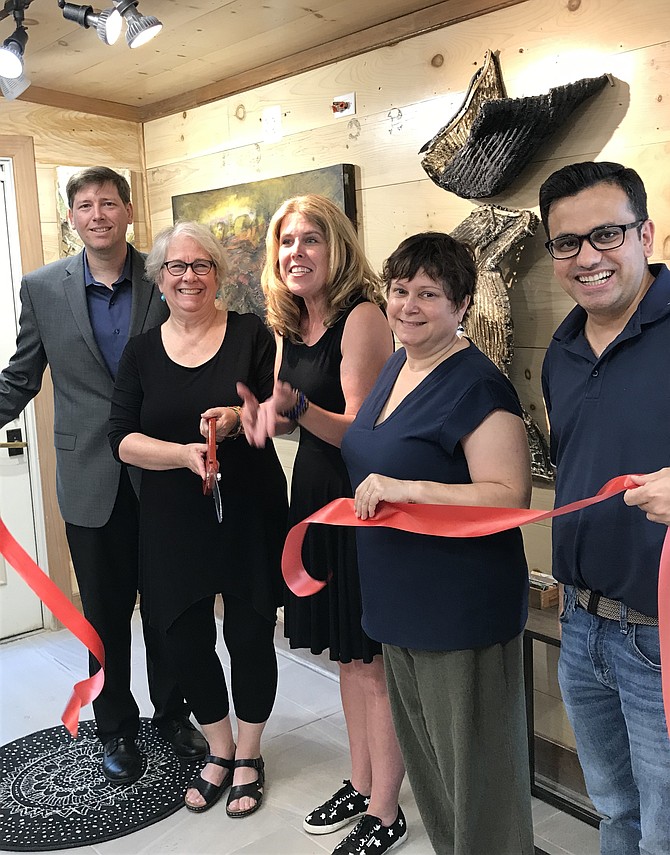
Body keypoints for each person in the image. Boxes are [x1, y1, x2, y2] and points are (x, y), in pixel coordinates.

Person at [0, 167, 205, 784]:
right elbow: (20, 375)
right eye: (85, 205)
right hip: (90, 478)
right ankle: (115, 724)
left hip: (163, 471)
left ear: (127, 211)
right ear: (72, 217)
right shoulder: (41, 288)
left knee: (169, 604)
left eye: (108, 203)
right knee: (103, 614)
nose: (98, 215)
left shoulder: (164, 274)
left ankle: (174, 713)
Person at [340, 231, 535, 855]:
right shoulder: (399, 364)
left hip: (459, 605)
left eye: (429, 294)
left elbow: (509, 496)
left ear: (461, 305)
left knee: (476, 772)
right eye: (400, 291)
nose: (408, 306)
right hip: (397, 599)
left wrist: (412, 488)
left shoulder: (479, 385)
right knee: (429, 764)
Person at [238, 195, 403, 854]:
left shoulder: (362, 316)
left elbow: (361, 431)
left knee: (372, 661)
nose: (295, 252)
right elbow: (287, 415)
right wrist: (249, 416)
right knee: (347, 658)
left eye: (309, 239)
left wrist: (297, 406)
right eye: (286, 242)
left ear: (336, 247)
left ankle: (386, 809)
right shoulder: (294, 322)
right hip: (312, 496)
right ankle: (361, 783)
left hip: (356, 500)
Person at [109, 221, 287, 817]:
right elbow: (122, 439)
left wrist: (241, 418)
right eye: (176, 267)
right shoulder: (140, 351)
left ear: (219, 275)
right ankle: (219, 745)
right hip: (172, 514)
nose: (188, 277)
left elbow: (276, 416)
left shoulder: (251, 334)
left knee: (250, 633)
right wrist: (182, 456)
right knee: (183, 635)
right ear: (160, 279)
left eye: (200, 265)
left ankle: (251, 752)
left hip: (248, 506)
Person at [539, 161, 670, 855]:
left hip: (662, 634)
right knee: (615, 810)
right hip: (582, 626)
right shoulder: (559, 351)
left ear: (645, 232)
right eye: (567, 241)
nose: (587, 256)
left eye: (608, 233)